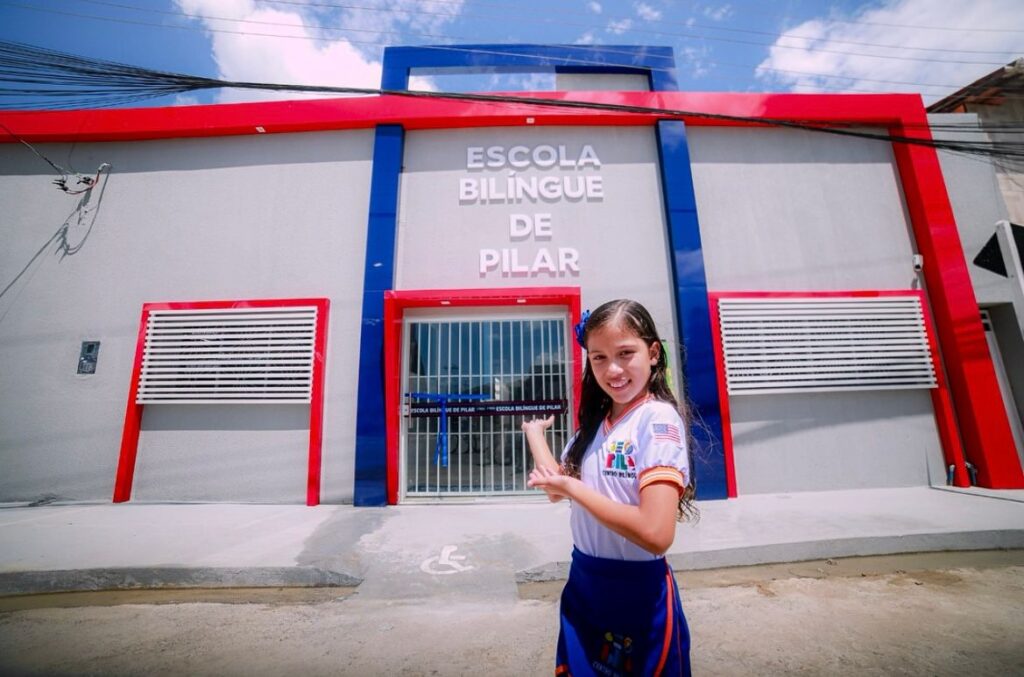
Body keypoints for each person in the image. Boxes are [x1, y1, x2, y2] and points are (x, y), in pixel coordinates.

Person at [522, 299, 694, 677]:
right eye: (598, 357)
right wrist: (534, 434)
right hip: (585, 584)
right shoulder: (594, 427)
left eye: (625, 353)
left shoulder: (656, 420)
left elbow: (656, 533)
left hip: (637, 595)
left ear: (653, 353)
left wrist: (573, 488)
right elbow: (556, 488)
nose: (612, 369)